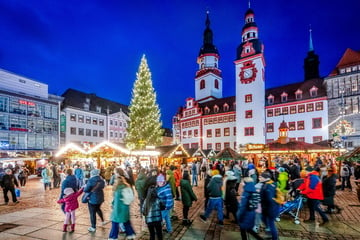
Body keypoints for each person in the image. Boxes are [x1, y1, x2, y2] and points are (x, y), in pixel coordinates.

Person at [108, 172, 136, 240]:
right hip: (125, 209)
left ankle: (113, 237)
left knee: (115, 223)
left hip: (119, 210)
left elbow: (116, 201)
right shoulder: (126, 187)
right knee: (126, 222)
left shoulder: (118, 190)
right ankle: (131, 234)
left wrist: (114, 209)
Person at [259, 171, 280, 240]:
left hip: (270, 209)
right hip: (269, 208)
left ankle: (274, 237)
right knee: (264, 219)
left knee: (271, 223)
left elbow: (269, 199)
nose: (259, 178)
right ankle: (270, 233)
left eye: (261, 177)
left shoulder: (268, 186)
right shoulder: (271, 183)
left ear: (265, 178)